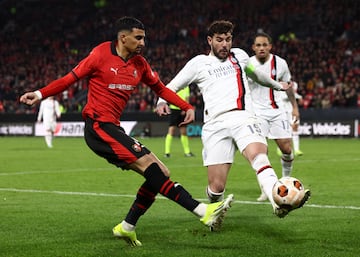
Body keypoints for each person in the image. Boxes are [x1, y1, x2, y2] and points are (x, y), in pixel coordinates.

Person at [20, 16, 234, 247]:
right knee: (152, 169)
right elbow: (69, 79)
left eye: (144, 37)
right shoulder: (100, 54)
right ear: (124, 37)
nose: (143, 42)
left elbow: (160, 89)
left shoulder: (139, 64)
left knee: (161, 171)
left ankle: (127, 226)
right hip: (98, 127)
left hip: (113, 127)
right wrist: (40, 94)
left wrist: (186, 106)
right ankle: (202, 210)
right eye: (138, 37)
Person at [156, 20, 310, 218]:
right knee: (216, 187)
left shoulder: (240, 56)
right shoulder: (198, 63)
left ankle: (277, 201)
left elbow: (257, 75)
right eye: (219, 40)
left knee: (259, 156)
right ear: (210, 40)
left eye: (228, 39)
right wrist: (161, 100)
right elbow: (172, 85)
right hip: (215, 125)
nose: (225, 44)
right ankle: (214, 210)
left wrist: (276, 85)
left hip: (244, 117)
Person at [247, 32, 300, 202]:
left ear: (270, 46)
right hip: (257, 113)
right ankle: (266, 188)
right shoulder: (247, 64)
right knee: (261, 152)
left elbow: (289, 86)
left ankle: (286, 181)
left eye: (265, 45)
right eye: (258, 45)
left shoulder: (280, 63)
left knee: (286, 149)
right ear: (253, 48)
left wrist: (294, 108)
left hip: (278, 111)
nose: (262, 48)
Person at [164, 86, 195, 158]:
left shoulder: (186, 87)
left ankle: (187, 152)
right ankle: (167, 152)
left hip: (182, 109)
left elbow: (187, 98)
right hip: (174, 109)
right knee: (171, 130)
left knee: (183, 131)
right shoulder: (176, 84)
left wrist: (185, 109)